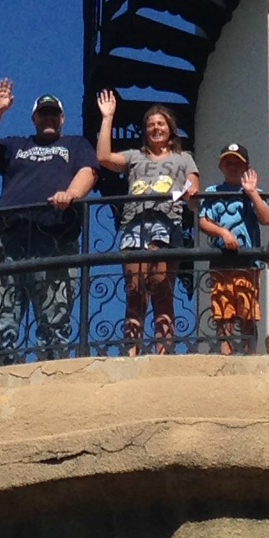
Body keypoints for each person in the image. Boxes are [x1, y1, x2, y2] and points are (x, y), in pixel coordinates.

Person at [0, 80, 97, 365]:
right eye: (43, 114)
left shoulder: (75, 145)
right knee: (0, 313)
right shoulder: (16, 145)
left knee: (55, 317)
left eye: (54, 114)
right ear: (34, 118)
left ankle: (52, 374)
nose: (49, 118)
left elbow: (88, 171)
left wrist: (71, 194)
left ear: (62, 119)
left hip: (55, 238)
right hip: (11, 239)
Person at [96, 92, 198, 355]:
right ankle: (132, 352)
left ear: (170, 129)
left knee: (162, 289)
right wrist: (108, 117)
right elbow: (104, 157)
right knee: (135, 291)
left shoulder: (183, 157)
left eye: (161, 123)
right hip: (134, 226)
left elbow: (192, 185)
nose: (156, 128)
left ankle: (164, 353)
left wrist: (180, 195)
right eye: (151, 124)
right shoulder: (134, 157)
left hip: (166, 226)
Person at [197, 146, 269, 354]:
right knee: (223, 312)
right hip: (221, 260)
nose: (232, 167)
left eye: (237, 163)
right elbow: (203, 221)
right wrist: (223, 233)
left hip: (248, 262)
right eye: (228, 163)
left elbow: (267, 218)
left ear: (247, 167)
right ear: (221, 166)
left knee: (248, 312)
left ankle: (250, 355)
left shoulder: (253, 193)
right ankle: (226, 356)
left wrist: (252, 193)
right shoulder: (213, 192)